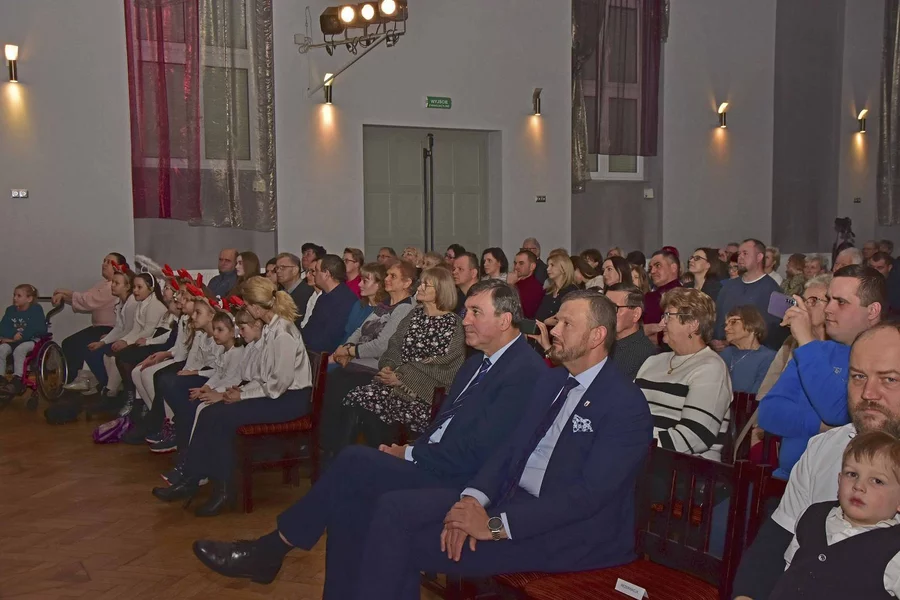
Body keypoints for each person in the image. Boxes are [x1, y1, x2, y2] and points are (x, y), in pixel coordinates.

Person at [193, 291, 652, 599]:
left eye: (565, 323)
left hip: (570, 537)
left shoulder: (624, 405)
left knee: (394, 525)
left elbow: (586, 498)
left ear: (597, 336)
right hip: (510, 504)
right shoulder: (554, 383)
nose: (552, 328)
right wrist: (473, 500)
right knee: (376, 508)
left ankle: (273, 550)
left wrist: (493, 524)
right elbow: (509, 454)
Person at [732, 322, 900, 600]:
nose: (868, 393)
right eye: (858, 376)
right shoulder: (825, 447)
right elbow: (776, 541)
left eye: (890, 379)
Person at [155, 278, 313, 516]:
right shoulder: (269, 330)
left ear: (256, 307)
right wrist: (238, 392)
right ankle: (193, 479)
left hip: (290, 401)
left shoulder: (283, 333)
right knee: (211, 412)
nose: (245, 308)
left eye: (247, 304)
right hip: (276, 395)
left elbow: (277, 385)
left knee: (220, 417)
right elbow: (260, 377)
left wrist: (242, 396)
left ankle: (222, 491)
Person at [759, 265, 885, 478]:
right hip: (786, 480)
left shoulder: (886, 358)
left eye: (841, 302)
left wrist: (806, 340)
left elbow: (836, 411)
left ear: (872, 311)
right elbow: (768, 412)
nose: (828, 309)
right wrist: (823, 426)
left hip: (840, 489)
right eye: (828, 299)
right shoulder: (819, 351)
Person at [329, 267, 465, 451]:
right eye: (421, 283)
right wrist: (388, 366)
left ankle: (379, 458)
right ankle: (348, 457)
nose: (420, 287)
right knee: (356, 399)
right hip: (393, 387)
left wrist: (403, 377)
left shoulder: (453, 324)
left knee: (368, 405)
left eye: (426, 285)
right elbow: (394, 347)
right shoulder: (414, 315)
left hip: (423, 396)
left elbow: (446, 367)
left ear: (441, 290)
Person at [768, 430, 900, 599]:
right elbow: (789, 571)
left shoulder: (894, 550)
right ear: (839, 480)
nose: (858, 486)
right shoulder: (812, 518)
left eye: (877, 481)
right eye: (852, 474)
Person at [635, 287, 732, 461]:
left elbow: (695, 436)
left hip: (685, 466)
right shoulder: (653, 362)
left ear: (693, 324)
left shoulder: (711, 367)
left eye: (668, 316)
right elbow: (627, 411)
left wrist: (636, 444)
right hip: (643, 455)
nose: (662, 323)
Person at [57, 253, 124, 390]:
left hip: (109, 328)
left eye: (109, 262)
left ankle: (91, 380)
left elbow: (88, 300)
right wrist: (63, 297)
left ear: (119, 267)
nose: (104, 264)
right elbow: (84, 299)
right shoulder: (102, 284)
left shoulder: (113, 286)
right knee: (69, 343)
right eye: (104, 261)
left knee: (83, 346)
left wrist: (64, 292)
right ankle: (73, 378)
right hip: (98, 328)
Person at [332, 261, 415, 371]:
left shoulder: (406, 308)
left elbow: (381, 346)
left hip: (377, 367)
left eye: (393, 276)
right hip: (359, 360)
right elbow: (360, 330)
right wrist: (348, 346)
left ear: (407, 283)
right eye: (387, 275)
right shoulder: (385, 303)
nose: (386, 279)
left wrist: (349, 351)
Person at [712, 239, 784, 352]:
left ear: (759, 257)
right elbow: (717, 318)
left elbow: (773, 332)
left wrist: (730, 342)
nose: (740, 257)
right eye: (739, 254)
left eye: (745, 253)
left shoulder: (773, 291)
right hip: (722, 353)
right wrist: (715, 341)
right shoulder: (728, 286)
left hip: (753, 354)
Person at [301, 254, 358, 353]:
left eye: (316, 270)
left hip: (327, 355)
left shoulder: (345, 300)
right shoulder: (323, 296)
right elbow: (310, 328)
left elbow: (331, 339)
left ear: (326, 274)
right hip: (312, 351)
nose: (314, 274)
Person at [0, 284, 46, 398]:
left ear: (29, 299)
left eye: (19, 296)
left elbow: (37, 328)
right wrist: (12, 335)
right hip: (13, 340)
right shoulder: (10, 310)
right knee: (2, 349)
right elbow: (3, 327)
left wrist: (21, 336)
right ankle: (1, 378)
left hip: (30, 340)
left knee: (20, 350)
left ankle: (18, 379)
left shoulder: (36, 310)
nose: (15, 298)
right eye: (14, 295)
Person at [604, 283, 657, 380]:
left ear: (636, 314)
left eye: (614, 308)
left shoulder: (648, 356)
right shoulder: (599, 342)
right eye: (604, 307)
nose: (607, 313)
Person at [720, 306, 776, 394]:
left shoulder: (769, 358)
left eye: (733, 322)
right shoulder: (726, 353)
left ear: (752, 324)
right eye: (726, 324)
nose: (726, 328)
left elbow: (757, 396)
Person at [339, 262, 388, 345]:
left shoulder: (384, 311)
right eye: (360, 280)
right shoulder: (359, 304)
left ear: (379, 285)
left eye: (365, 281)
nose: (359, 284)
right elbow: (347, 333)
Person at [643, 249, 682, 343]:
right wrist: (655, 328)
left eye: (658, 265)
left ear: (673, 268)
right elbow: (635, 330)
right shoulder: (648, 297)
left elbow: (673, 337)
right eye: (650, 268)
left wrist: (647, 331)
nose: (652, 271)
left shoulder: (684, 296)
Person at [535, 252, 579, 325]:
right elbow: (539, 317)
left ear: (563, 268)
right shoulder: (548, 291)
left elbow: (571, 319)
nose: (548, 269)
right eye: (548, 265)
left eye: (552, 265)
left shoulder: (572, 292)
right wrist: (545, 322)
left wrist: (546, 322)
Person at [273, 252, 308, 325]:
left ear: (295, 270)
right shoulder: (281, 292)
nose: (278, 271)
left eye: (283, 267)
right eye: (277, 268)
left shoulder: (306, 293)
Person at [512, 251, 544, 319]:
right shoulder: (513, 282)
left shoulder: (536, 288)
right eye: (515, 263)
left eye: (521, 263)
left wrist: (510, 285)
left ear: (532, 266)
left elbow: (525, 314)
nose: (516, 267)